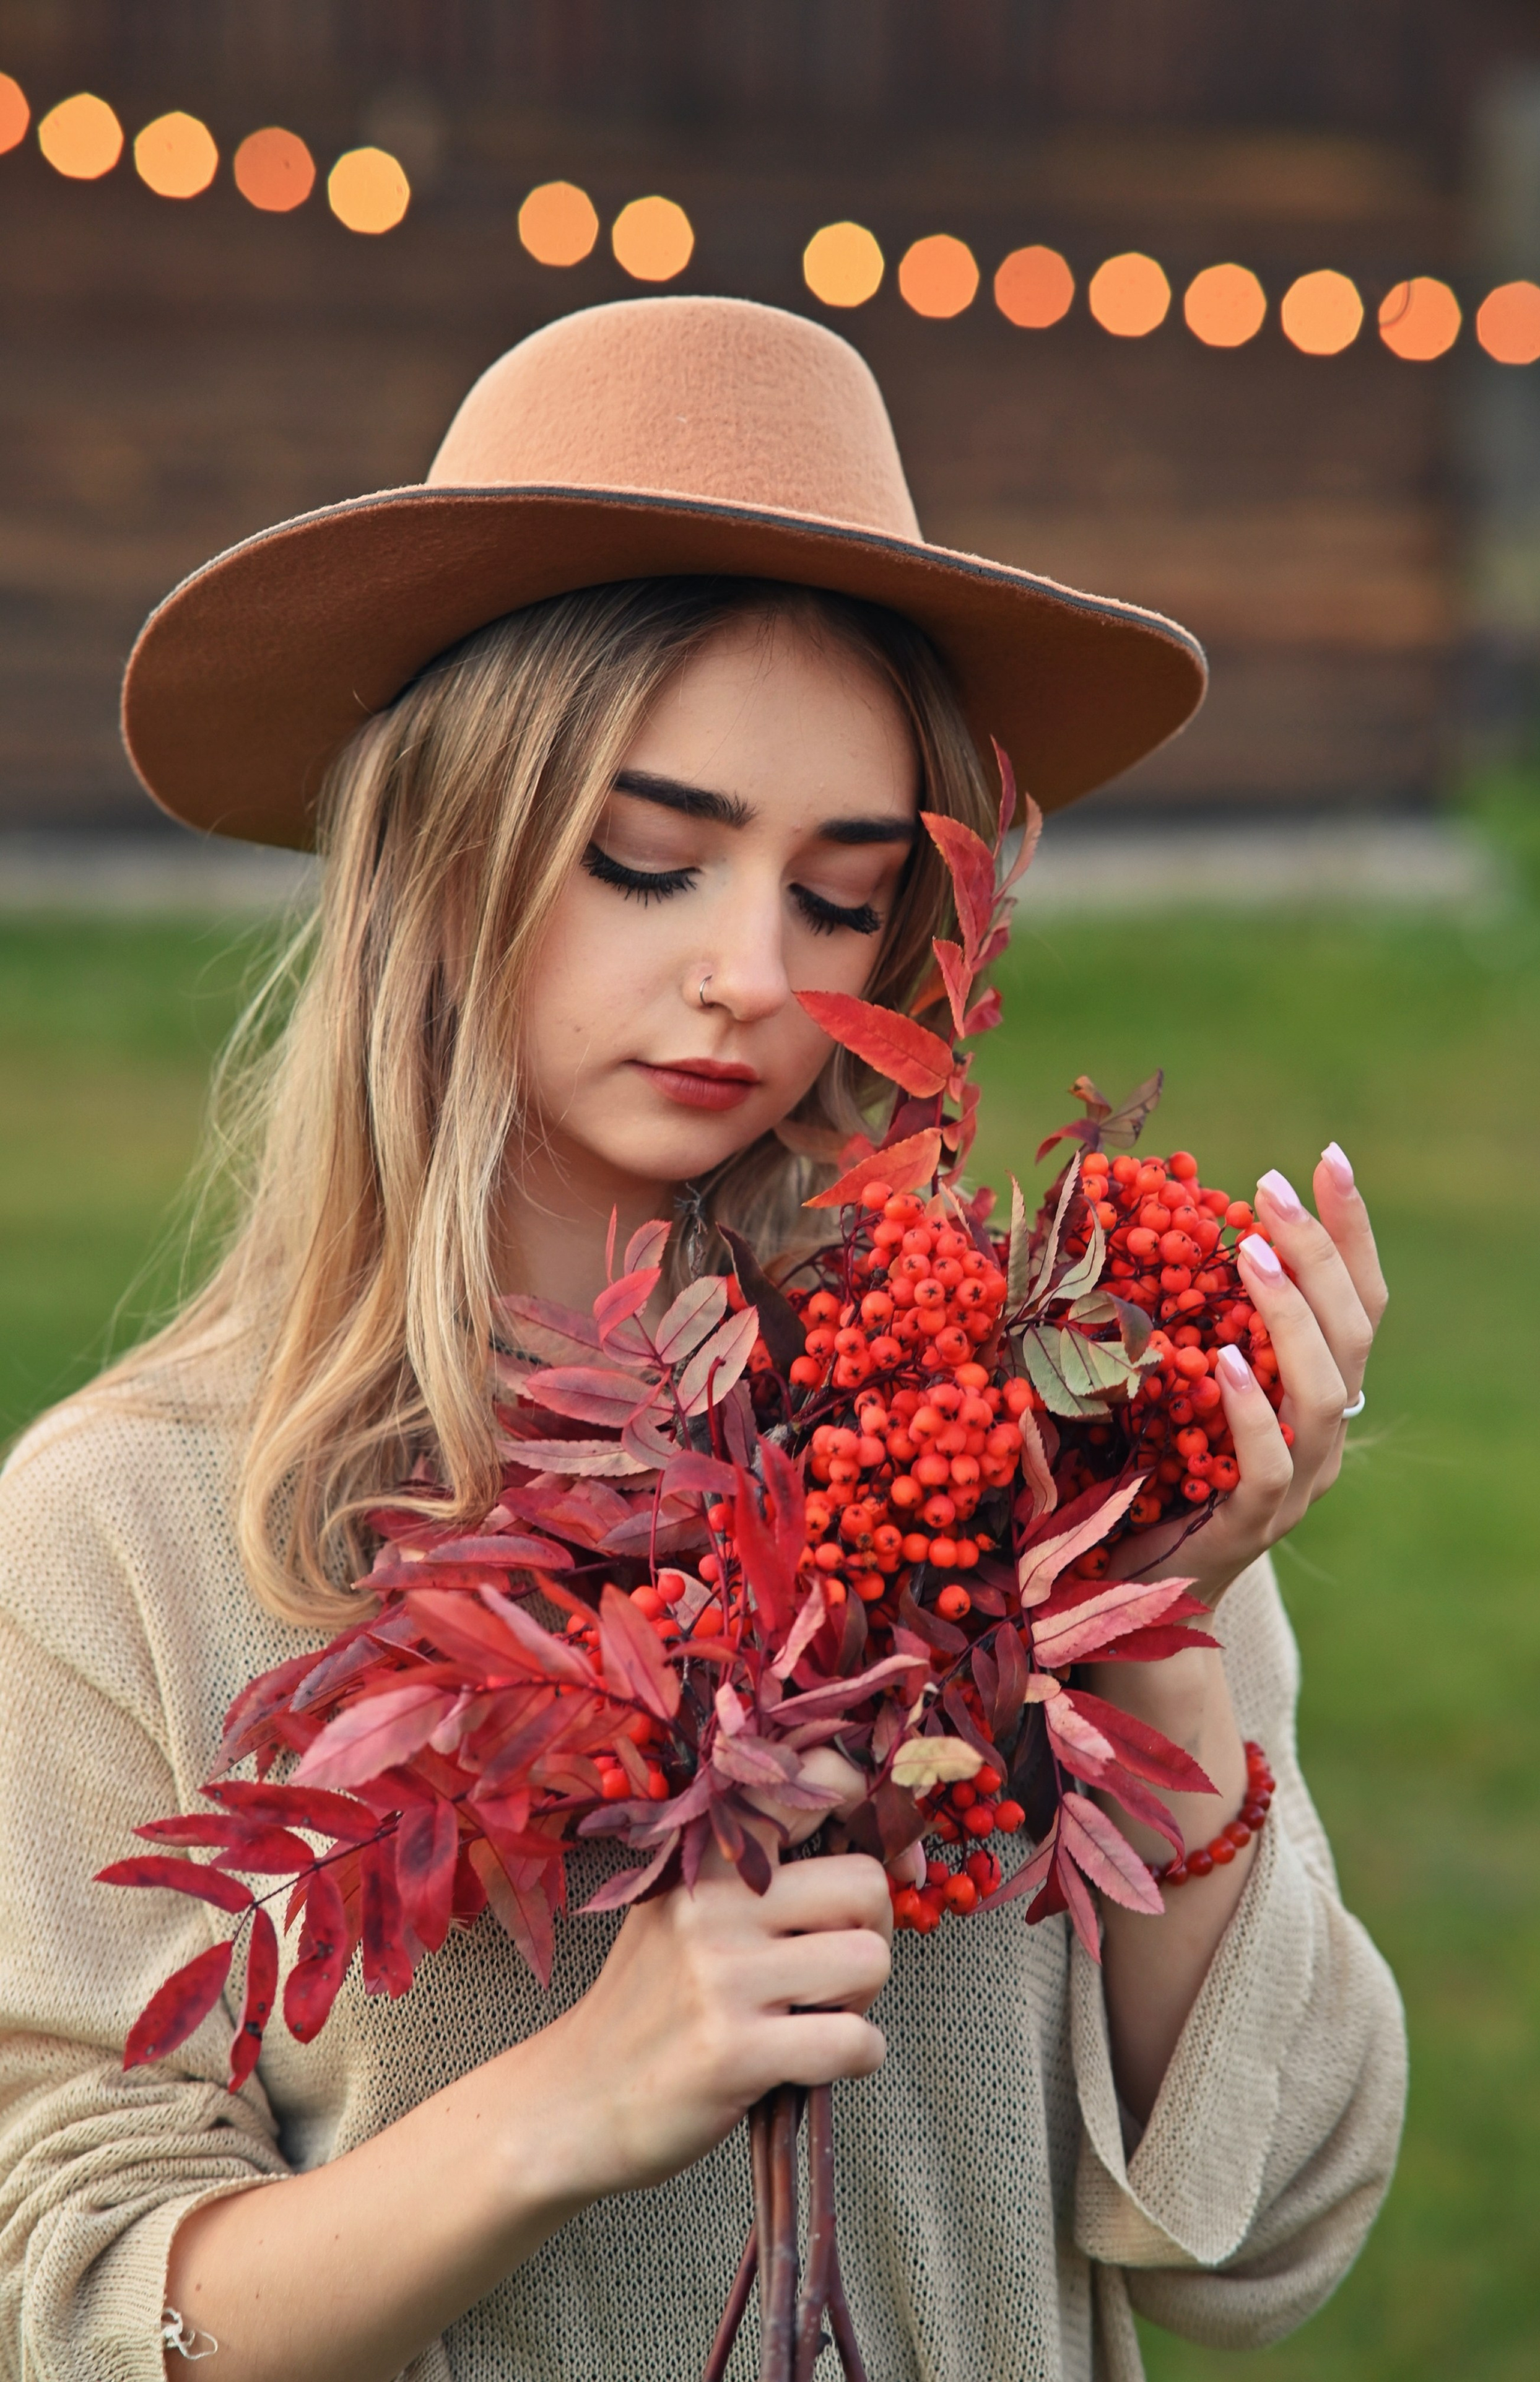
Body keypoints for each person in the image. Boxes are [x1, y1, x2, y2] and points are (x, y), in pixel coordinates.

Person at [0, 297, 1404, 2382]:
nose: (751, 974)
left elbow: (1263, 2249)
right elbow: (77, 2306)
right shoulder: (143, 1525)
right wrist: (567, 2104)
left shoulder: (1002, 1442)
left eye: (837, 898)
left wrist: (1167, 1624)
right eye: (653, 861)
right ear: (440, 855)